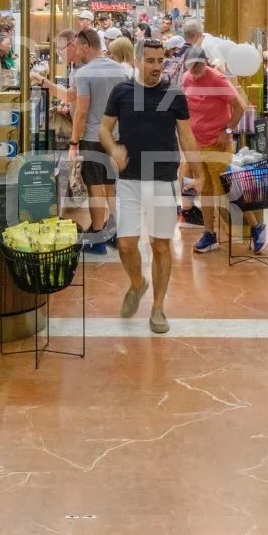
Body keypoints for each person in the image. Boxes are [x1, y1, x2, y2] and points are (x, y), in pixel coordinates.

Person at [99, 36, 196, 335]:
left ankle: (157, 307)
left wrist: (196, 169)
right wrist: (113, 150)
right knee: (126, 245)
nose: (156, 66)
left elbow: (186, 135)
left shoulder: (174, 94)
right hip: (129, 180)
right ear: (137, 61)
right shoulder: (122, 91)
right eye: (150, 61)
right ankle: (138, 284)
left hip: (163, 178)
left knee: (160, 245)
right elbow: (104, 128)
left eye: (160, 61)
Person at [181, 48, 254, 254]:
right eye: (191, 65)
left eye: (199, 65)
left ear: (206, 62)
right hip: (197, 144)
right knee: (205, 189)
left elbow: (240, 106)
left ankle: (256, 227)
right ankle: (209, 234)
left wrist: (228, 130)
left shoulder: (218, 79)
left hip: (217, 143)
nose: (195, 69)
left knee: (228, 187)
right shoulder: (187, 78)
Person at [68, 30, 132, 252]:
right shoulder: (121, 71)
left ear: (86, 47)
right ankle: (114, 231)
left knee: (94, 187)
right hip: (115, 137)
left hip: (93, 138)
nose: (75, 51)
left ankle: (97, 235)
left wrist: (74, 142)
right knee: (110, 186)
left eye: (76, 47)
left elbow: (82, 111)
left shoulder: (84, 74)